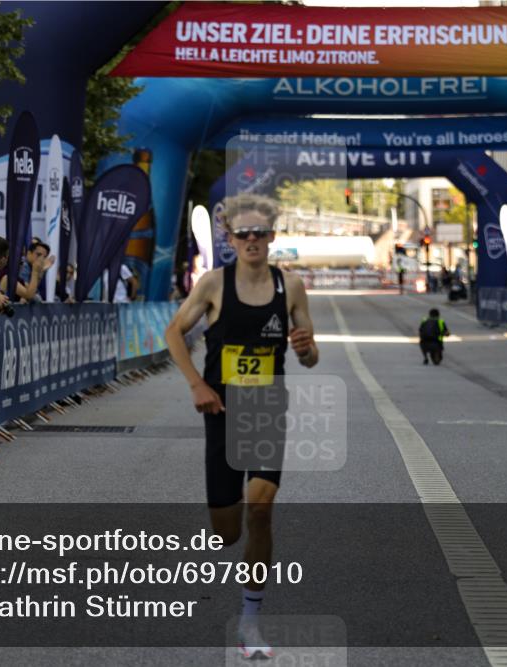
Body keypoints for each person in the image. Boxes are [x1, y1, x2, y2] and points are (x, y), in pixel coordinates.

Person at [164, 194, 318, 660]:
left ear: (272, 239)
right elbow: (174, 333)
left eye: (260, 234)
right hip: (221, 412)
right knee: (226, 532)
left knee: (261, 508)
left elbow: (310, 357)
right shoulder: (213, 284)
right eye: (243, 235)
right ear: (230, 240)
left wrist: (307, 347)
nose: (252, 241)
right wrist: (196, 385)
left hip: (266, 410)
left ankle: (250, 619)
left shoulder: (290, 287)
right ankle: (231, 536)